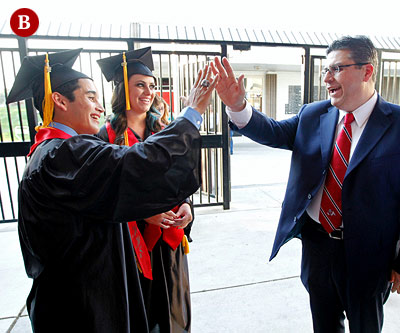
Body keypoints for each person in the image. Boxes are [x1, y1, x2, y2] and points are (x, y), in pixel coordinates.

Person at [6, 48, 217, 333]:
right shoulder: (63, 154)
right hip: (83, 303)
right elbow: (132, 167)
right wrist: (191, 115)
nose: (99, 105)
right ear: (59, 100)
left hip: (84, 290)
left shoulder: (53, 151)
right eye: (90, 97)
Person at [211, 35, 400, 333]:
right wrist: (238, 106)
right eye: (326, 70)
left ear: (367, 71)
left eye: (337, 69)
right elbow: (273, 132)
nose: (327, 78)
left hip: (369, 254)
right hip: (318, 245)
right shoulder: (313, 114)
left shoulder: (396, 124)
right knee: (324, 324)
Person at [96, 47, 196, 332]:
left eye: (152, 86)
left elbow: (179, 178)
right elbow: (105, 192)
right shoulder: (105, 137)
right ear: (122, 90)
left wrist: (186, 205)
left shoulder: (164, 131)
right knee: (141, 309)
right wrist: (143, 216)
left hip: (169, 237)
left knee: (175, 310)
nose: (148, 91)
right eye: (139, 84)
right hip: (131, 242)